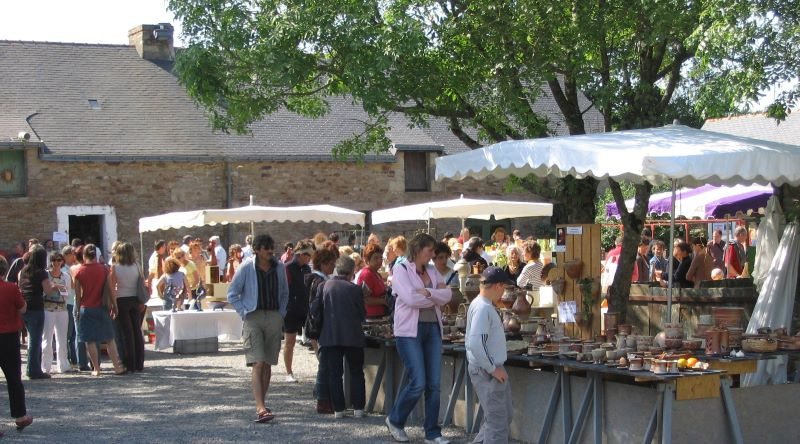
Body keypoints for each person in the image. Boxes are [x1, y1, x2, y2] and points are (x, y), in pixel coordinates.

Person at [385, 233, 451, 444]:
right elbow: (410, 298)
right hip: (408, 332)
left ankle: (432, 432)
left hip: (432, 329)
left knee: (434, 384)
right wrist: (434, 296)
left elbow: (448, 294)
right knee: (418, 382)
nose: (433, 254)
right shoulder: (401, 269)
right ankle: (395, 420)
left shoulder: (432, 270)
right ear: (418, 249)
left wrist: (428, 293)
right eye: (430, 250)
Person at [227, 234, 288, 424]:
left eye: (272, 247)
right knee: (257, 362)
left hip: (273, 316)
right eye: (266, 248)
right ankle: (260, 408)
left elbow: (285, 292)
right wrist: (244, 312)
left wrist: (281, 314)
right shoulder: (247, 267)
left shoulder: (279, 267)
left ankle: (263, 403)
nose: (271, 251)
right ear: (257, 249)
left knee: (268, 362)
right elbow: (232, 293)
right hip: (253, 317)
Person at [312, 256, 366, 419]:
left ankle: (339, 409)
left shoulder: (323, 286)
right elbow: (362, 315)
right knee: (356, 372)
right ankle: (358, 408)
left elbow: (315, 310)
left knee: (335, 374)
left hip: (330, 335)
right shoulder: (355, 289)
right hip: (353, 336)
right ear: (352, 271)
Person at [465, 267, 514, 444]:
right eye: (504, 287)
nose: (504, 292)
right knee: (497, 422)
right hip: (487, 371)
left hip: (486, 368)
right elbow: (476, 343)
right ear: (499, 286)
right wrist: (493, 368)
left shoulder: (480, 305)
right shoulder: (483, 308)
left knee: (500, 417)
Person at [73, 244, 125, 376]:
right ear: (95, 255)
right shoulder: (104, 269)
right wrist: (114, 305)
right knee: (109, 338)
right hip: (102, 307)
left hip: (86, 308)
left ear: (84, 256)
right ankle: (116, 367)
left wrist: (77, 310)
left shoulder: (79, 272)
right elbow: (111, 289)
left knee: (90, 340)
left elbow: (78, 295)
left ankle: (96, 369)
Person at [0, 256, 34, 433]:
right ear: (5, 271)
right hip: (8, 336)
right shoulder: (11, 288)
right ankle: (20, 416)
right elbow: (22, 308)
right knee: (13, 378)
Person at [305, 248, 338, 414]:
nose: (333, 266)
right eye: (332, 263)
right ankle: (322, 399)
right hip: (322, 326)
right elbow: (317, 307)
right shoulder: (320, 281)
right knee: (325, 365)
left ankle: (322, 395)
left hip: (318, 326)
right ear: (324, 263)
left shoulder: (315, 279)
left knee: (324, 363)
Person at [18, 245, 53, 379]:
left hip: (24, 308)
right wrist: (55, 287)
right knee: (35, 340)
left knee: (30, 339)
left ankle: (31, 367)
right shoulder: (41, 272)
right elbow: (48, 290)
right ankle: (33, 369)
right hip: (36, 308)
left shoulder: (24, 270)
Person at [110, 243, 146, 372]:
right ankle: (139, 362)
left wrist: (113, 305)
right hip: (135, 299)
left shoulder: (115, 268)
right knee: (137, 331)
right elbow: (142, 284)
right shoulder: (137, 266)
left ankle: (129, 363)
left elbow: (113, 288)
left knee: (126, 333)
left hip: (121, 299)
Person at [284, 239, 314, 383]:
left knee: (315, 338)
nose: (310, 258)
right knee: (290, 341)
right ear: (302, 254)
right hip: (291, 309)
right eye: (308, 255)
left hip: (306, 307)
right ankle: (289, 372)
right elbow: (285, 290)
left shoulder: (307, 269)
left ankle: (323, 367)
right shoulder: (288, 268)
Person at [41, 251, 70, 375]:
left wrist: (62, 291)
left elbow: (67, 292)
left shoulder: (65, 276)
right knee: (47, 339)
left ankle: (63, 365)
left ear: (62, 261)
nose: (57, 263)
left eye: (59, 260)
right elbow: (43, 292)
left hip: (62, 309)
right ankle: (45, 366)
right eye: (54, 260)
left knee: (62, 338)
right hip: (48, 309)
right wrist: (53, 288)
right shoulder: (46, 276)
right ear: (50, 261)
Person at [356, 244, 389, 319]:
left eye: (381, 258)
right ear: (368, 260)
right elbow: (365, 299)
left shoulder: (376, 273)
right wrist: (383, 301)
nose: (379, 261)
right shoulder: (366, 274)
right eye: (376, 258)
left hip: (379, 315)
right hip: (370, 317)